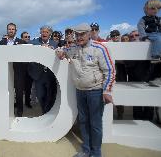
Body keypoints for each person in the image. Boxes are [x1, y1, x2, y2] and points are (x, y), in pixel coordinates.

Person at [56, 23, 115, 157]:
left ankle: (96, 152)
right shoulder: (72, 48)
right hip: (80, 91)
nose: (79, 37)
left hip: (96, 91)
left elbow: (110, 71)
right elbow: (61, 49)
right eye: (77, 34)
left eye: (82, 34)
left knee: (95, 123)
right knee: (83, 121)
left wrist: (107, 91)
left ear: (89, 34)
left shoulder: (100, 48)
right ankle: (86, 150)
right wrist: (59, 51)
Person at [29, 25, 58, 114]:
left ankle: (46, 112)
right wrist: (42, 46)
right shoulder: (35, 42)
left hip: (50, 74)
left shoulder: (54, 43)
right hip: (39, 74)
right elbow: (28, 44)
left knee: (50, 96)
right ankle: (44, 110)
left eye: (46, 32)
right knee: (40, 95)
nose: (44, 33)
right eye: (42, 32)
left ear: (50, 33)